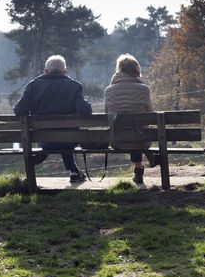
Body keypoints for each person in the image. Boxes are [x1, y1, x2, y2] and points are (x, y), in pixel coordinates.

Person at [14, 55, 93, 183]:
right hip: (70, 139)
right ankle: (74, 172)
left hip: (42, 139)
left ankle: (41, 162)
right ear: (65, 71)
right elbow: (86, 111)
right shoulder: (74, 86)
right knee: (64, 136)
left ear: (46, 71)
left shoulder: (33, 86)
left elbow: (19, 111)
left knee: (56, 137)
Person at [103, 54, 152, 184]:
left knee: (130, 132)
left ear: (119, 70)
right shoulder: (144, 89)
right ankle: (138, 168)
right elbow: (150, 114)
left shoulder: (109, 90)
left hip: (117, 139)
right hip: (140, 139)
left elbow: (107, 113)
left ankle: (138, 168)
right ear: (136, 69)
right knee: (139, 132)